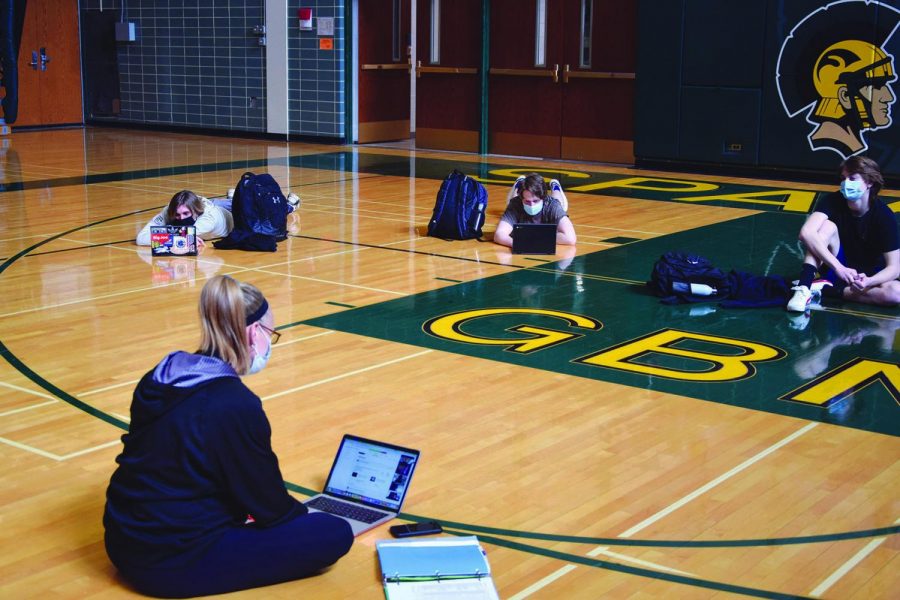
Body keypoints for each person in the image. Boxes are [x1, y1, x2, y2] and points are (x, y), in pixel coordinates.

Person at [103, 275, 353, 597]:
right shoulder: (235, 405)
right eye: (271, 335)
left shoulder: (159, 376)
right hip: (171, 561)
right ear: (253, 333)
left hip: (122, 538)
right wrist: (302, 519)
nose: (269, 345)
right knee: (333, 532)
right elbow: (270, 508)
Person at [787, 156, 900, 311]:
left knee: (895, 294)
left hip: (867, 277)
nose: (846, 183)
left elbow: (894, 267)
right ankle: (804, 288)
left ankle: (827, 291)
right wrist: (839, 268)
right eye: (843, 178)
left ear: (869, 182)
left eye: (852, 178)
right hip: (837, 267)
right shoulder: (833, 200)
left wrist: (869, 281)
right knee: (826, 226)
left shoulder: (884, 216)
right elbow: (806, 233)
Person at [492, 173, 576, 248]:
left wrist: (534, 236)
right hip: (517, 201)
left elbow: (570, 238)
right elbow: (499, 235)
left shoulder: (552, 206)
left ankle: (555, 186)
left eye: (535, 201)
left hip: (554, 204)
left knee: (560, 204)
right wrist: (517, 243)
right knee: (513, 199)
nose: (531, 205)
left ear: (543, 198)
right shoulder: (516, 204)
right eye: (527, 201)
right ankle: (518, 184)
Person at [135, 190, 234, 248]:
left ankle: (232, 197)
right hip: (206, 203)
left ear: (195, 211)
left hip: (230, 214)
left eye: (186, 213)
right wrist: (176, 238)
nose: (181, 218)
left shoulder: (208, 218)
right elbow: (141, 239)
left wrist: (168, 237)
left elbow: (186, 235)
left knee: (239, 204)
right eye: (177, 215)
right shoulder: (169, 210)